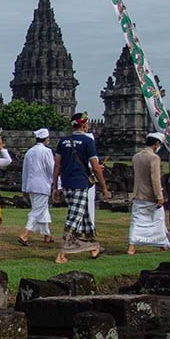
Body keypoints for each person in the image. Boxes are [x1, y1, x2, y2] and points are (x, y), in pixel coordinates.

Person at [51, 112, 111, 263]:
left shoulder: (63, 141)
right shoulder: (87, 141)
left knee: (83, 214)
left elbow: (57, 165)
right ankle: (62, 253)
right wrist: (104, 187)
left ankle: (92, 246)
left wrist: (54, 186)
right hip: (80, 183)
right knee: (74, 216)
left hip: (66, 183)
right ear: (84, 125)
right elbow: (96, 168)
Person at [128, 133, 170, 254]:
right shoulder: (154, 158)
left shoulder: (136, 156)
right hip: (150, 194)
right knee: (157, 221)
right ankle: (161, 244)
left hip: (138, 193)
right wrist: (159, 196)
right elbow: (155, 179)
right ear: (157, 144)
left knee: (137, 221)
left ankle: (132, 246)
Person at [19, 128, 55, 246]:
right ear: (46, 139)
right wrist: (57, 183)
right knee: (37, 210)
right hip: (42, 185)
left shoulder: (30, 152)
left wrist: (24, 187)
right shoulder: (46, 152)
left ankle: (47, 235)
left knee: (42, 209)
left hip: (31, 184)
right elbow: (52, 169)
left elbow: (25, 171)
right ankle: (24, 234)